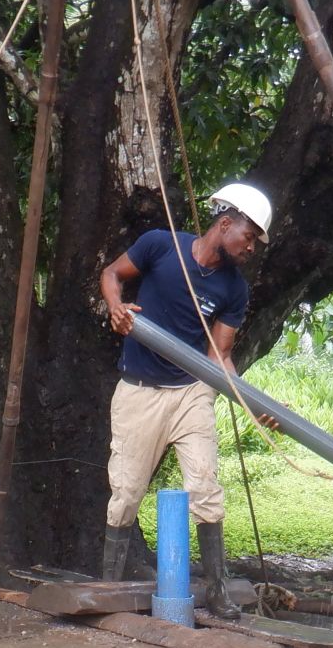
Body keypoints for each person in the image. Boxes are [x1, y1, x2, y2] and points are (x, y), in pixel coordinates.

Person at [98, 182, 271, 616]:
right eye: (249, 236)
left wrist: (254, 404)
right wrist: (116, 306)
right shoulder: (160, 245)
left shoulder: (235, 289)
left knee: (205, 487)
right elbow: (111, 274)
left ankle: (216, 588)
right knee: (126, 492)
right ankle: (109, 587)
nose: (251, 248)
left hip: (192, 391)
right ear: (225, 224)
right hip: (139, 391)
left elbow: (219, 357)